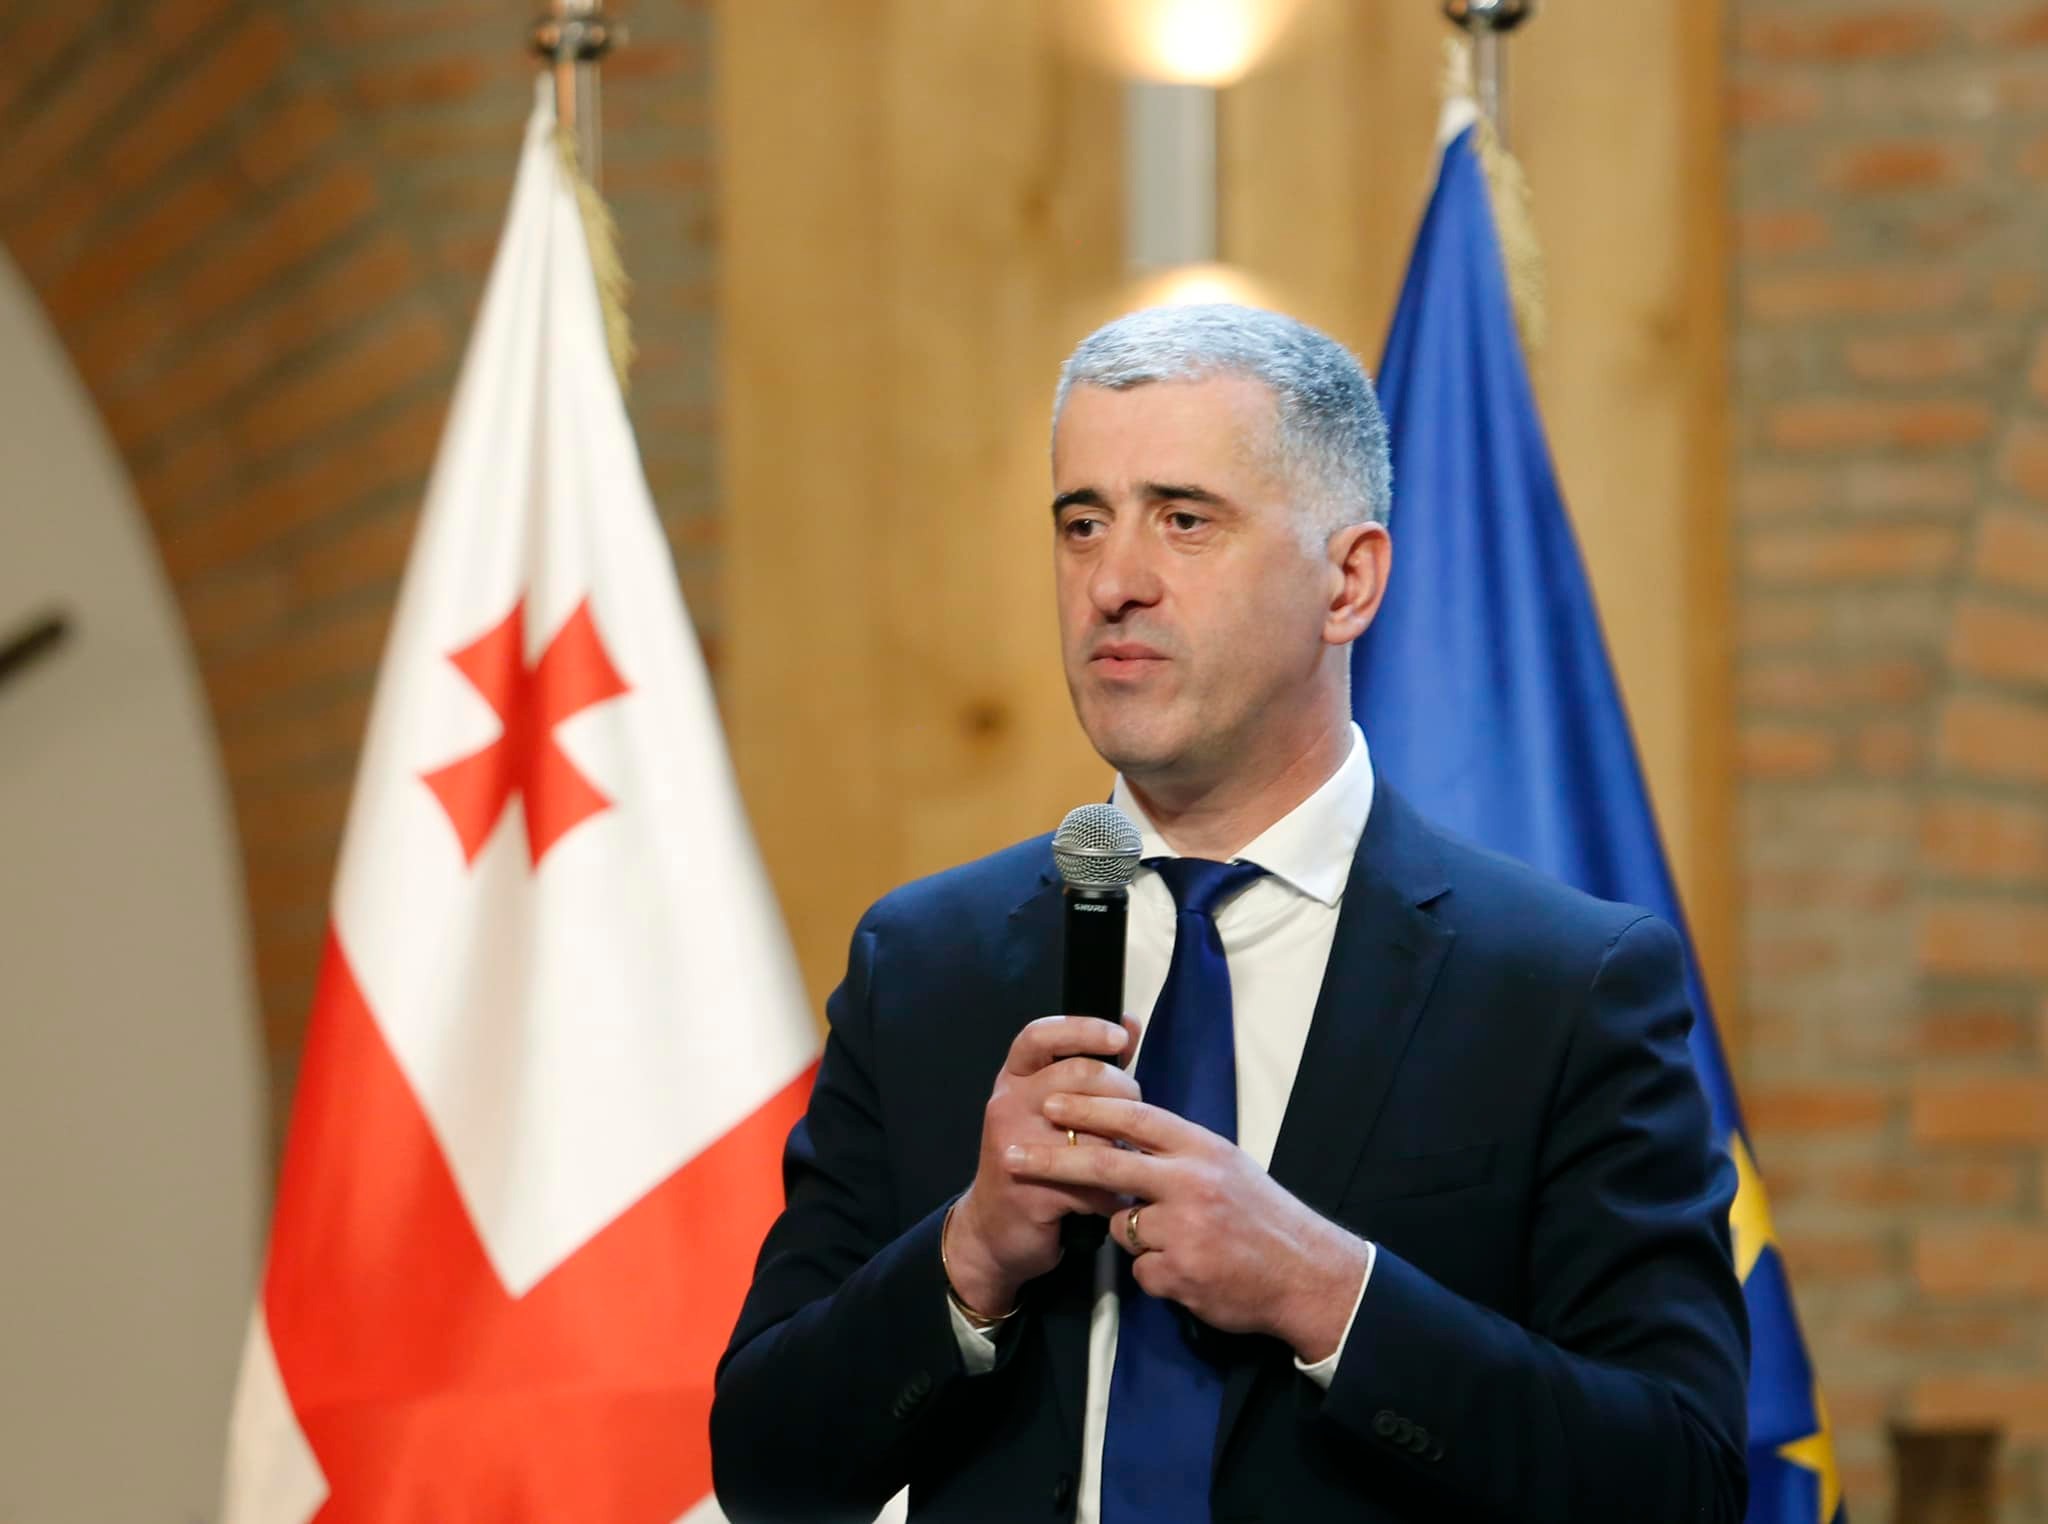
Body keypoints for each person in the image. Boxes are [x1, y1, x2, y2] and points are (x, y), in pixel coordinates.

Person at [710, 304, 1748, 1524]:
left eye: (1183, 520)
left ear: (1347, 581)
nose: (1112, 584)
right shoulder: (924, 965)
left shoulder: (1561, 988)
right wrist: (970, 1254)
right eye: (1081, 522)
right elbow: (767, 1473)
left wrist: (1328, 1293)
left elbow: (1676, 1480)